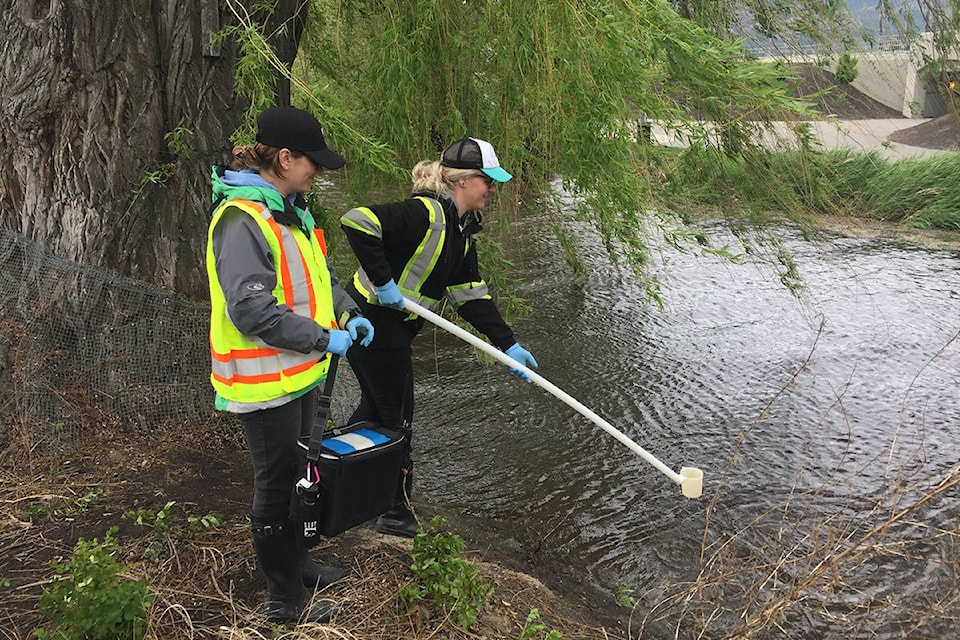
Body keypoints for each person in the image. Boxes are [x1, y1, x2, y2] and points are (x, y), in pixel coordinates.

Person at [206, 106, 374, 624]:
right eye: (312, 163)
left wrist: (348, 311)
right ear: (284, 158)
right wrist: (326, 339)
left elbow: (314, 280)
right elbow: (252, 310)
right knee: (276, 488)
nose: (317, 172)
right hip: (263, 385)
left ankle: (299, 564)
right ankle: (285, 600)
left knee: (304, 477)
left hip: (299, 375)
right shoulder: (241, 220)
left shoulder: (289, 210)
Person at [340, 137, 538, 538]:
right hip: (372, 326)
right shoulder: (425, 213)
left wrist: (508, 345)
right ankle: (393, 511)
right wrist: (385, 282)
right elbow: (357, 220)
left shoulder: (463, 231)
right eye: (488, 180)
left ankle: (332, 481)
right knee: (397, 422)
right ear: (464, 181)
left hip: (391, 332)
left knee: (378, 412)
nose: (493, 189)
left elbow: (471, 297)